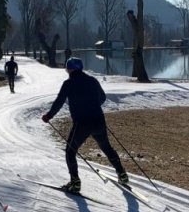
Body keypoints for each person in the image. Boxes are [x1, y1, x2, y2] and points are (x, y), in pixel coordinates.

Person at [41, 57, 128, 193]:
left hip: (81, 123)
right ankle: (122, 174)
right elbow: (103, 98)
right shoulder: (92, 80)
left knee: (70, 151)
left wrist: (49, 116)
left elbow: (59, 102)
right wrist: (92, 106)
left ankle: (75, 183)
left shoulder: (68, 83)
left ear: (69, 69)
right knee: (106, 147)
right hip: (98, 119)